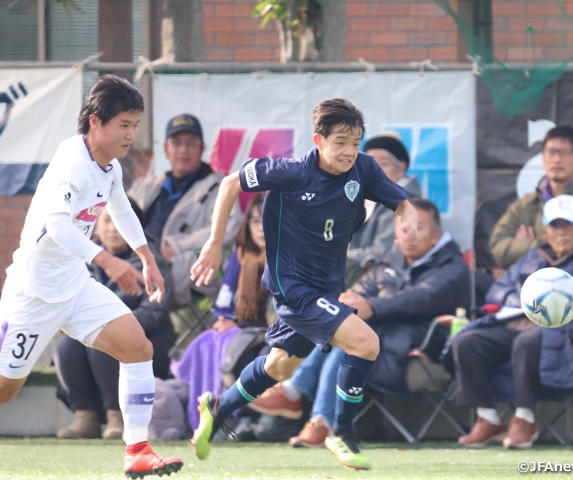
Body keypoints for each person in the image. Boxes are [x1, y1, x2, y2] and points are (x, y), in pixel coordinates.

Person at [189, 98, 417, 470]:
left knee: (280, 368)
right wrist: (215, 244)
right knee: (366, 343)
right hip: (293, 287)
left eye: (356, 142)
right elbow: (231, 183)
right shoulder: (291, 171)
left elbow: (402, 203)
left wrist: (405, 218)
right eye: (340, 141)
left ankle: (218, 407)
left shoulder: (364, 169)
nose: (349, 151)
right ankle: (341, 431)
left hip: (326, 287)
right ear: (318, 140)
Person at [0, 75, 182, 477]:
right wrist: (110, 261)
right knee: (5, 391)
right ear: (95, 122)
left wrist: (145, 258)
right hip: (33, 296)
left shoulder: (110, 167)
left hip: (76, 287)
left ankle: (137, 450)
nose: (131, 134)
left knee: (138, 347)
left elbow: (122, 211)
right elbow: (59, 227)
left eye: (135, 125)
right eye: (124, 124)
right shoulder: (71, 162)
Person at [248, 197, 470, 447]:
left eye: (419, 227)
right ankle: (313, 413)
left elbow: (421, 297)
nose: (410, 234)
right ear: (396, 232)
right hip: (376, 348)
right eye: (404, 226)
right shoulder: (386, 263)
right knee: (344, 327)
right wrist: (348, 304)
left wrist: (372, 307)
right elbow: (355, 294)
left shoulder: (453, 267)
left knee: (352, 336)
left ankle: (304, 402)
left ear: (435, 235)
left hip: (417, 352)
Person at [445, 194, 573, 449]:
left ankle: (524, 418)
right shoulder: (535, 255)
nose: (561, 232)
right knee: (467, 341)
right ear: (545, 231)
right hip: (522, 321)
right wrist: (524, 300)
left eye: (568, 225)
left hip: (568, 327)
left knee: (527, 342)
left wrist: (556, 297)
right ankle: (488, 416)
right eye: (554, 225)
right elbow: (498, 290)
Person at [54, 204, 177, 440]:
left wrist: (112, 324)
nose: (113, 229)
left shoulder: (151, 260)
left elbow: (155, 313)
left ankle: (117, 416)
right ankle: (85, 417)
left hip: (151, 340)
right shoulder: (84, 260)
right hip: (94, 333)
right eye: (106, 221)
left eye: (119, 221)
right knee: (66, 346)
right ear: (95, 226)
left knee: (107, 346)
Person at [171, 193, 269, 431]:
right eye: (255, 221)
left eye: (267, 220)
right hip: (240, 325)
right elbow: (227, 290)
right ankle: (205, 415)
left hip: (268, 330)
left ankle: (240, 416)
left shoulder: (284, 255)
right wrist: (225, 317)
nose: (261, 228)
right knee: (208, 340)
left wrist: (239, 326)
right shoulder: (241, 253)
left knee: (240, 348)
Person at [128, 113, 242, 304]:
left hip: (182, 267)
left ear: (202, 148)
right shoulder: (147, 185)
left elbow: (231, 227)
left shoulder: (220, 187)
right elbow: (118, 216)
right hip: (138, 259)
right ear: (165, 148)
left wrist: (175, 247)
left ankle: (135, 318)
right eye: (176, 142)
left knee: (133, 291)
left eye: (191, 142)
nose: (183, 149)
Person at [490, 125, 573, 270]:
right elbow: (497, 247)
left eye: (565, 152)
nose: (557, 159)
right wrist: (536, 244)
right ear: (542, 159)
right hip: (527, 285)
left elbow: (570, 252)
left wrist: (528, 246)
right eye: (551, 152)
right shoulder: (527, 204)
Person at [345, 133, 422, 285]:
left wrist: (335, 255)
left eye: (384, 164)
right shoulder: (363, 195)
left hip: (383, 280)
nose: (375, 172)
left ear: (401, 168)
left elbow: (383, 252)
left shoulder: (402, 204)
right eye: (370, 166)